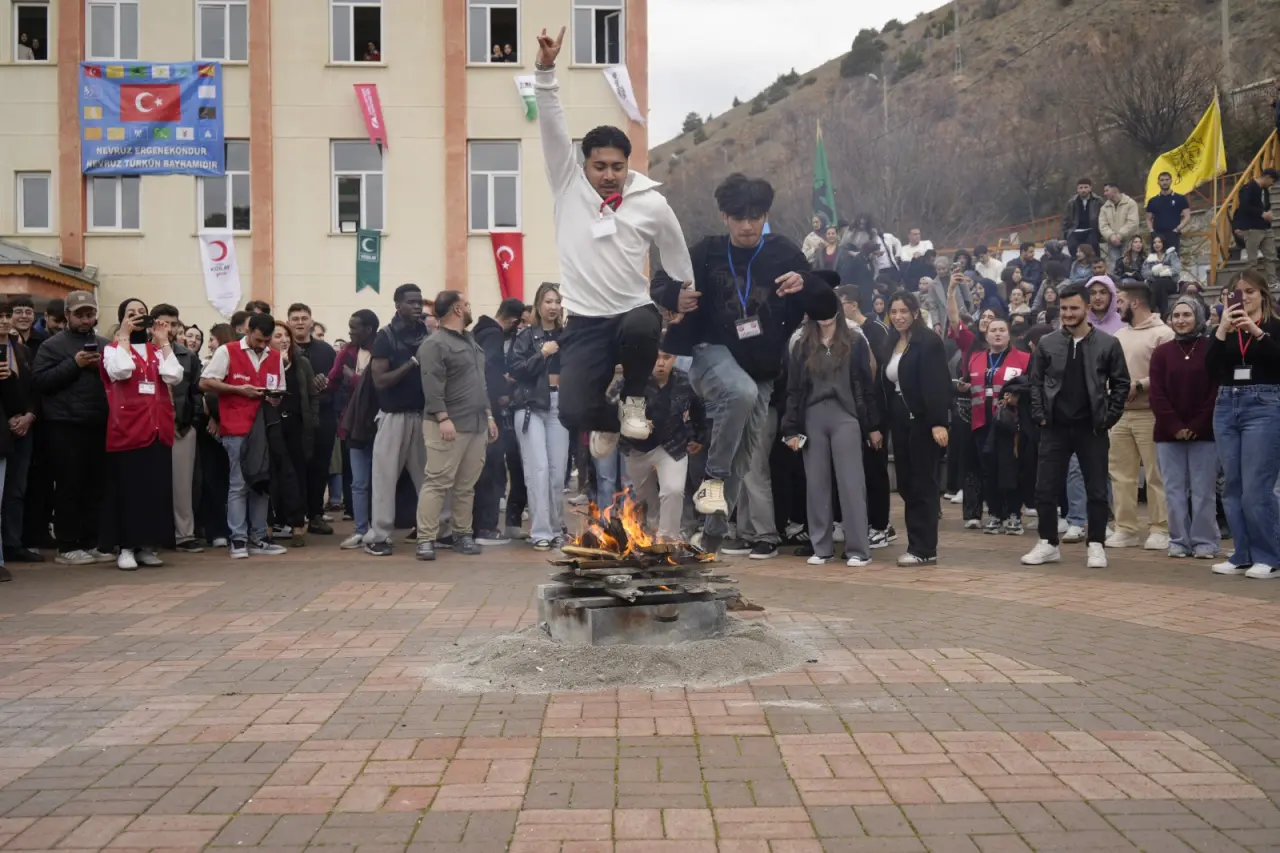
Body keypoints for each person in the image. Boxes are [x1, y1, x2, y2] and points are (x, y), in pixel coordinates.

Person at [533, 26, 695, 458]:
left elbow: (675, 249)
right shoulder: (566, 186)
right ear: (583, 165)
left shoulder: (650, 202)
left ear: (628, 166)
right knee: (571, 413)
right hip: (585, 321)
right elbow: (551, 127)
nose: (608, 175)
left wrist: (682, 294)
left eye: (617, 167)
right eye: (599, 166)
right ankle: (609, 422)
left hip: (631, 311)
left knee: (644, 322)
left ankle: (634, 400)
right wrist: (546, 71)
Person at [650, 174, 811, 556]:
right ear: (725, 217)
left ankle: (711, 534)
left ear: (765, 215)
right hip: (710, 355)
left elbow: (821, 287)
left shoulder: (783, 251)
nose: (747, 225)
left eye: (754, 216)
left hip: (762, 369)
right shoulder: (707, 251)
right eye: (738, 217)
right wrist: (677, 294)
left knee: (746, 453)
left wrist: (804, 280)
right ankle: (713, 479)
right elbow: (660, 279)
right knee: (740, 392)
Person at [1021, 283, 1130, 569]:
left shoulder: (1108, 344)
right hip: (1054, 427)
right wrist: (1040, 414)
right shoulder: (1048, 343)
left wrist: (1109, 417)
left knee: (1096, 489)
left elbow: (1121, 384)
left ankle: (1095, 544)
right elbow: (1034, 383)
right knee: (1045, 488)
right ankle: (1047, 543)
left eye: (1074, 308)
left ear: (1088, 308)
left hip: (1091, 427)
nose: (1068, 314)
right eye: (1064, 308)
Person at [782, 284, 880, 567]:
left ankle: (859, 549)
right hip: (812, 417)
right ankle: (821, 547)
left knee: (851, 483)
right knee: (816, 484)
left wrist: (872, 425)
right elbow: (794, 389)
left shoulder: (855, 339)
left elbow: (866, 384)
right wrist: (790, 428)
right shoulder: (801, 342)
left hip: (846, 415)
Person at [1207, 270, 1280, 579]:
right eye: (1236, 293)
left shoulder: (1274, 326)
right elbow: (1210, 370)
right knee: (1232, 486)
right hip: (1226, 403)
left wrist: (1257, 332)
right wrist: (1222, 330)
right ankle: (1243, 554)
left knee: (1256, 487)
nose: (1244, 298)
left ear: (1262, 294)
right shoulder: (1225, 329)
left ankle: (1270, 556)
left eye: (1249, 292)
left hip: (1264, 403)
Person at [99, 299, 183, 570]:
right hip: (128, 430)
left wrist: (163, 340)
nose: (137, 318)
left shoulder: (156, 351)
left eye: (142, 314)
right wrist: (124, 336)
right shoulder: (112, 350)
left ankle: (148, 544)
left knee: (155, 489)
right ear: (122, 318)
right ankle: (125, 546)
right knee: (129, 490)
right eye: (130, 314)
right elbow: (121, 370)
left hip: (157, 429)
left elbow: (174, 376)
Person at [198, 313, 289, 560]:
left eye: (266, 341)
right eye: (258, 339)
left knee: (261, 483)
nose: (262, 345)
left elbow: (279, 389)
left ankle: (259, 536)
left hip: (264, 427)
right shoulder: (228, 351)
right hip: (236, 427)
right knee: (239, 483)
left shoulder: (274, 356)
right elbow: (205, 383)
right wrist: (238, 390)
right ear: (248, 331)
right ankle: (237, 538)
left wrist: (274, 396)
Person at [414, 291, 497, 562]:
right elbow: (431, 384)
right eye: (467, 304)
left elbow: (481, 384)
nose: (470, 307)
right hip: (448, 424)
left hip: (476, 424)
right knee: (437, 482)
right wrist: (442, 417)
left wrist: (489, 416)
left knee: (466, 485)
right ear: (458, 309)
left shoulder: (470, 341)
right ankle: (426, 538)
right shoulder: (434, 344)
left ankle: (463, 534)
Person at [31, 291, 112, 565]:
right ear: (67, 315)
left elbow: (119, 379)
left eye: (90, 314)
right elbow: (41, 381)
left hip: (98, 422)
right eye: (80, 314)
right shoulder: (51, 346)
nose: (86, 319)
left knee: (95, 486)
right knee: (69, 485)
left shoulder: (104, 344)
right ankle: (67, 545)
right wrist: (74, 364)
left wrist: (103, 367)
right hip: (65, 425)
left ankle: (91, 541)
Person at [948, 277, 1032, 534]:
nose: (997, 333)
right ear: (985, 333)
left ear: (1009, 334)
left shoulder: (1024, 358)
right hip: (981, 423)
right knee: (989, 471)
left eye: (1001, 330)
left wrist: (1018, 396)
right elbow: (971, 383)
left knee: (1011, 470)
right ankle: (994, 513)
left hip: (1011, 426)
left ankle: (1013, 516)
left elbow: (1031, 386)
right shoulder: (975, 358)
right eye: (992, 330)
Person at [882, 291, 950, 566]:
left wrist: (938, 422)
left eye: (903, 311)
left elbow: (937, 384)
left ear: (914, 313)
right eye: (894, 311)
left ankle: (924, 548)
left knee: (924, 484)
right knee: (907, 484)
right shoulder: (890, 341)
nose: (898, 317)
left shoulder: (928, 342)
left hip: (923, 421)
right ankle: (916, 543)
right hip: (898, 420)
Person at [1149, 297, 1220, 560]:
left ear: (1198, 317)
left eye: (1187, 315)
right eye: (1176, 315)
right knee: (1174, 490)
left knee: (1203, 491)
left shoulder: (1212, 347)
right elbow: (1157, 393)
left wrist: (1197, 424)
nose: (1181, 320)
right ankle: (1178, 539)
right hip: (1168, 434)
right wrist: (1175, 425)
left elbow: (1216, 390)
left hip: (1205, 432)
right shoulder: (1162, 352)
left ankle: (1205, 541)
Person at [1107, 282, 1175, 551]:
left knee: (1156, 474)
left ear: (1135, 303)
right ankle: (1125, 528)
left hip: (1151, 413)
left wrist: (1140, 385)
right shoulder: (1119, 335)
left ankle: (1162, 528)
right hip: (1120, 414)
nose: (1117, 306)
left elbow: (1167, 374)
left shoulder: (1164, 334)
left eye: (1120, 301)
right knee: (1121, 475)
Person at [363, 284, 429, 556]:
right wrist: (413, 362)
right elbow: (380, 380)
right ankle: (378, 535)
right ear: (397, 305)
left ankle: (434, 531)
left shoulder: (425, 332)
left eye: (419, 302)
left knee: (429, 478)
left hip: (422, 415)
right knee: (384, 477)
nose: (417, 306)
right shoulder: (385, 337)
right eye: (411, 302)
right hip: (393, 417)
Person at [620, 347, 705, 542]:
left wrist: (697, 437)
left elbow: (698, 410)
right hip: (638, 448)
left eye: (666, 358)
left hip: (673, 445)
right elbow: (613, 405)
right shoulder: (634, 380)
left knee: (673, 490)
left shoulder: (685, 382)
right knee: (645, 497)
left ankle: (668, 539)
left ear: (674, 358)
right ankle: (650, 533)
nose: (660, 363)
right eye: (655, 357)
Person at [508, 284, 570, 550]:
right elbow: (515, 369)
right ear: (538, 305)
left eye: (556, 301)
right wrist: (543, 353)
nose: (553, 307)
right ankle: (540, 531)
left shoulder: (568, 335)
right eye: (547, 301)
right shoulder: (525, 336)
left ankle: (556, 528)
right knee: (539, 470)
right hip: (531, 405)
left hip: (560, 404)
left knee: (558, 474)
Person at [834, 282, 895, 547]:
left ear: (853, 304)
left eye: (840, 304)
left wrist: (875, 419)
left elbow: (877, 372)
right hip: (852, 409)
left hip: (877, 409)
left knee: (875, 468)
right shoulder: (841, 332)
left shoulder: (875, 329)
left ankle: (882, 525)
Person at [151, 304, 204, 554]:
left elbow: (196, 392)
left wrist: (191, 421)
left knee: (182, 485)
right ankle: (153, 534)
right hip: (149, 425)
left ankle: (184, 534)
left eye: (173, 324)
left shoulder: (187, 355)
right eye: (164, 324)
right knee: (151, 481)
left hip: (180, 425)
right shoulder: (144, 351)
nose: (169, 329)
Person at [472, 296, 525, 546]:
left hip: (477, 408)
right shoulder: (493, 334)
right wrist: (503, 389)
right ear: (513, 321)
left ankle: (479, 526)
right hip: (490, 409)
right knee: (492, 468)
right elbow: (489, 367)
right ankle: (487, 527)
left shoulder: (479, 331)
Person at [329, 310, 380, 549]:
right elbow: (332, 381)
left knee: (382, 481)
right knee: (359, 482)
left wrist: (354, 379)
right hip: (355, 426)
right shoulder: (346, 352)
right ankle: (361, 530)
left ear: (368, 329)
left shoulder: (383, 350)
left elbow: (382, 385)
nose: (350, 332)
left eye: (354, 328)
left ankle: (380, 529)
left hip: (381, 425)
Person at [287, 303, 338, 536]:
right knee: (294, 467)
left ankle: (316, 514)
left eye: (304, 318)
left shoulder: (326, 350)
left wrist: (325, 384)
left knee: (319, 467)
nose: (299, 322)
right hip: (293, 417)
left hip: (323, 415)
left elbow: (337, 382)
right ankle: (293, 516)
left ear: (311, 322)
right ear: (288, 322)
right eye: (295, 318)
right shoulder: (283, 348)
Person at [268, 322, 317, 548]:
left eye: (286, 335)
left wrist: (313, 420)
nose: (284, 340)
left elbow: (312, 394)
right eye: (278, 336)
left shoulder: (302, 363)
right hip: (271, 425)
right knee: (272, 475)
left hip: (296, 425)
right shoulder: (263, 363)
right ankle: (269, 524)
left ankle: (298, 525)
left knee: (296, 474)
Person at [0, 302, 38, 567]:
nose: (3, 321)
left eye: (5, 316)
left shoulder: (22, 351)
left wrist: (29, 415)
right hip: (2, 427)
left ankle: (12, 544)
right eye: (1, 316)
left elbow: (34, 390)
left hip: (23, 428)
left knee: (16, 489)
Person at [1235, 168, 1276, 285]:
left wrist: (1269, 213)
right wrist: (1261, 213)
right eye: (1272, 181)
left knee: (1271, 256)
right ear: (1267, 177)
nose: (1272, 184)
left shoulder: (1265, 190)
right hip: (1252, 228)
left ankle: (1273, 281)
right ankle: (1252, 282)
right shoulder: (1248, 188)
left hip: (1266, 227)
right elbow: (1244, 206)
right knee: (1252, 259)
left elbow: (1266, 205)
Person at [1145, 171, 1191, 250]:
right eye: (1162, 180)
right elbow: (1148, 218)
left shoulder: (1180, 198)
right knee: (1157, 260)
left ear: (1171, 181)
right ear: (1158, 182)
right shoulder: (1153, 200)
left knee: (1172, 260)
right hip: (1157, 236)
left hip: (1173, 235)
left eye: (1167, 180)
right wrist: (1152, 231)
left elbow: (1187, 216)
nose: (1164, 182)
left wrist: (1177, 229)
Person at [1099, 182, 1141, 268]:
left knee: (1129, 266)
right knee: (1114, 267)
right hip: (1112, 242)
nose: (1105, 193)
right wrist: (1111, 236)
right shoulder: (1104, 208)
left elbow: (1133, 222)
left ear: (1115, 190)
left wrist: (1120, 236)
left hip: (1129, 240)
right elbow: (1103, 225)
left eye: (1107, 190)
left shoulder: (1130, 204)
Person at [1061, 177, 1102, 256]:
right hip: (1075, 230)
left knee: (1092, 246)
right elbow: (1065, 220)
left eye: (1086, 187)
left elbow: (1103, 217)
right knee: (1072, 246)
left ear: (1090, 188)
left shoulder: (1098, 201)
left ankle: (1095, 264)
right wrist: (1064, 236)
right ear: (1077, 189)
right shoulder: (1071, 202)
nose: (1083, 190)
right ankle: (1076, 266)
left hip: (1091, 229)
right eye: (1081, 188)